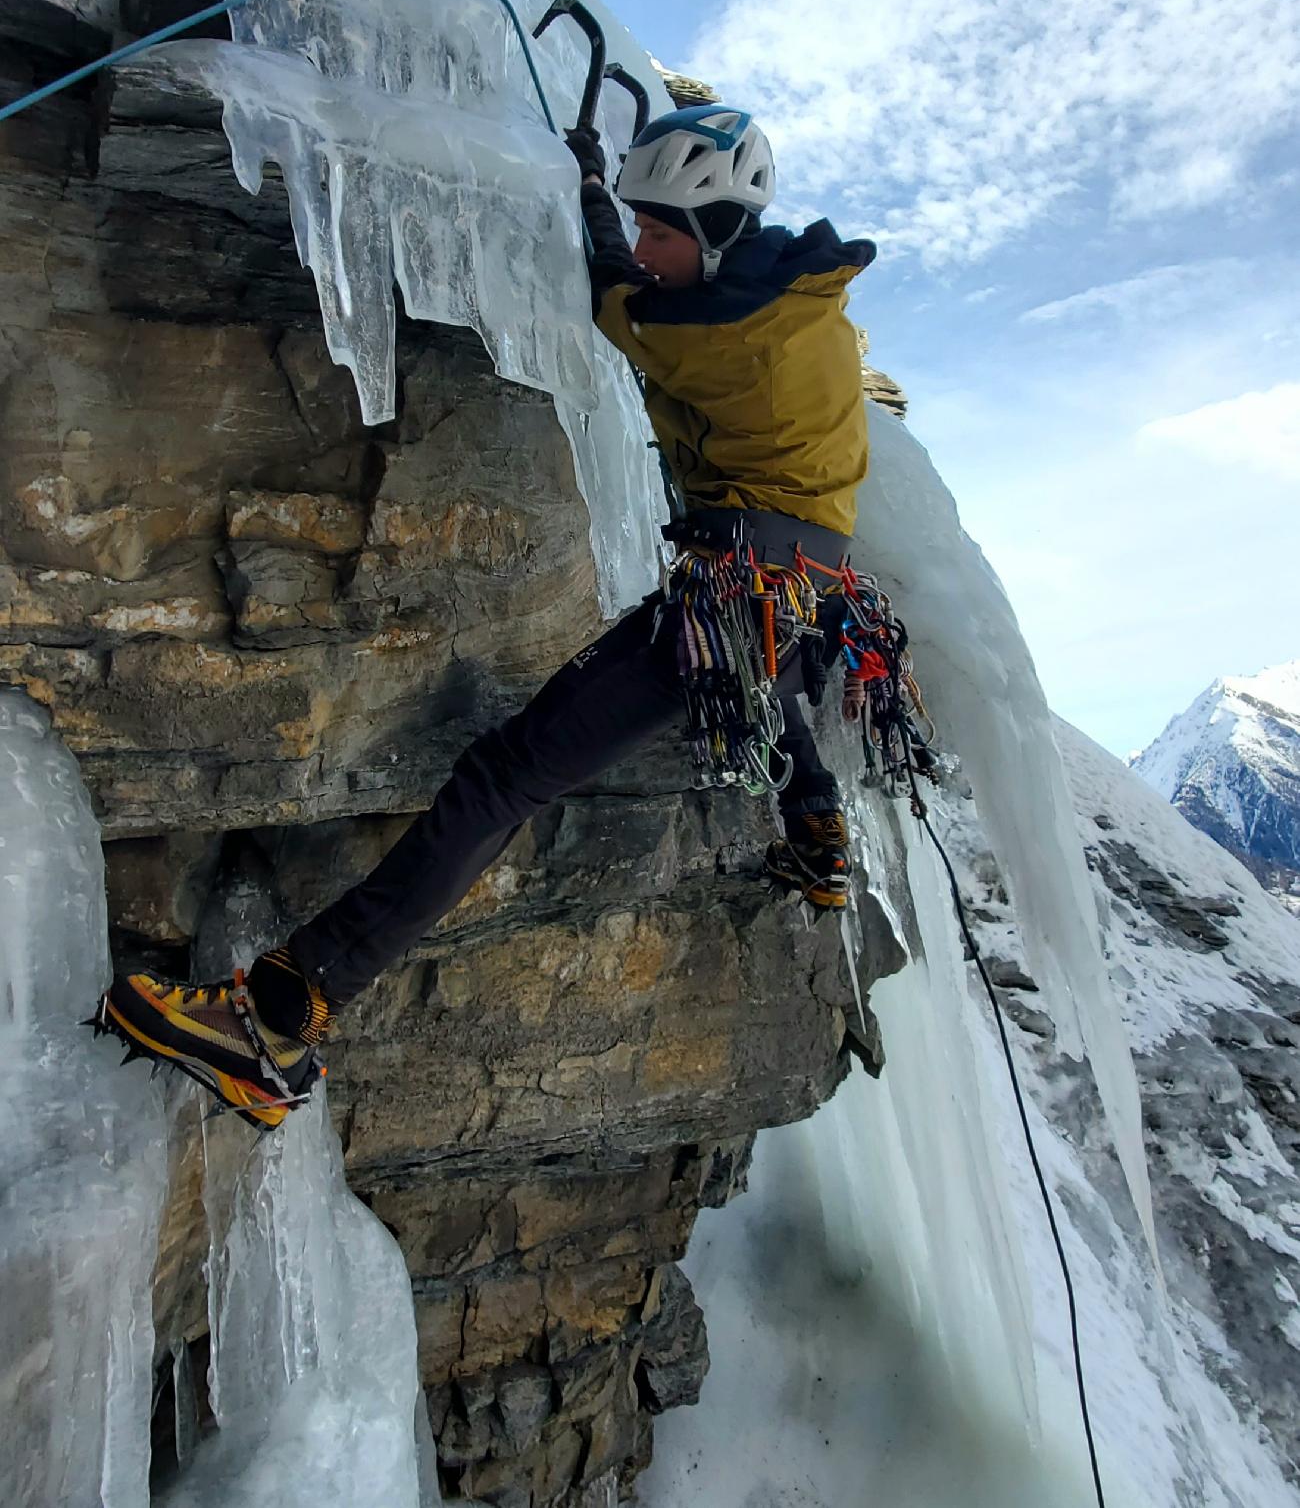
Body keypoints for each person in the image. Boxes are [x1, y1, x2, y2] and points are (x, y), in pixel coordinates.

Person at [96, 106, 876, 1129]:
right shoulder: (790, 294)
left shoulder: (731, 333)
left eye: (663, 229)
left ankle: (280, 1015)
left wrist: (594, 201)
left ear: (720, 232)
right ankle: (817, 832)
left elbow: (616, 304)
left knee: (505, 775)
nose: (646, 246)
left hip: (741, 589)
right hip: (807, 590)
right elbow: (653, 287)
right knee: (764, 692)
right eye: (644, 225)